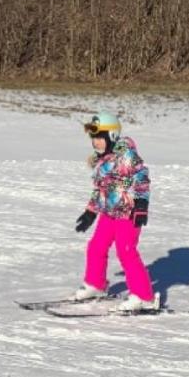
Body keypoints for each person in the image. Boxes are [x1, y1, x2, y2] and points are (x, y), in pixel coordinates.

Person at [72, 112, 156, 313]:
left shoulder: (125, 156)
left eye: (100, 138)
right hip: (108, 213)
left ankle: (144, 296)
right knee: (96, 246)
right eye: (94, 139)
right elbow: (100, 189)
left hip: (128, 213)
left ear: (112, 137)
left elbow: (142, 176)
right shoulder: (102, 161)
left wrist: (141, 205)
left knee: (126, 251)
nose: (96, 143)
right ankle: (95, 284)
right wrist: (90, 212)